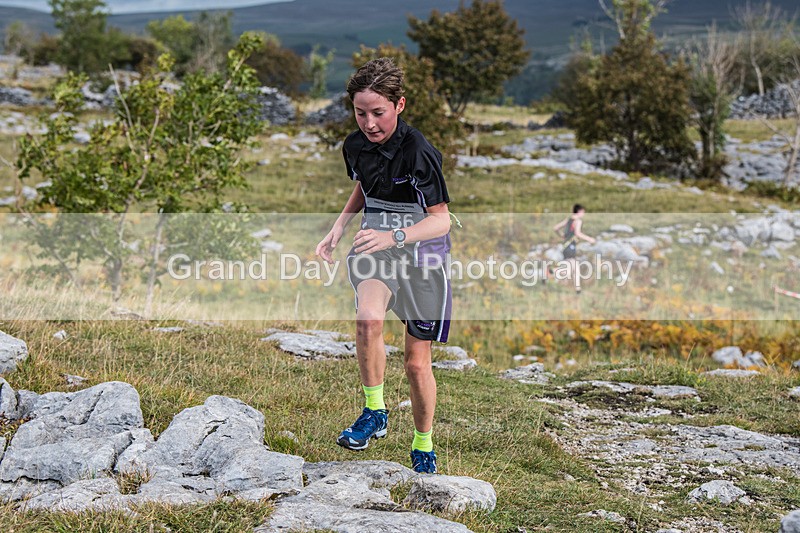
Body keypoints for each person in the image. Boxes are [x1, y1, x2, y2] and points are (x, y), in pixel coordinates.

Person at [315, 58, 452, 474]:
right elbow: (365, 184)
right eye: (361, 113)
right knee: (368, 320)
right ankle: (375, 412)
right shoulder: (354, 145)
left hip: (424, 252)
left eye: (379, 113)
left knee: (415, 362)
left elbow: (441, 218)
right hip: (376, 246)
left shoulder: (419, 151)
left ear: (400, 105)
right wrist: (338, 227)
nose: (370, 123)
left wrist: (393, 236)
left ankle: (423, 445)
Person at [552, 204, 596, 293]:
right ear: (579, 211)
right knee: (569, 270)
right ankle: (551, 271)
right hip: (570, 246)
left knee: (575, 268)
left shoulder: (568, 220)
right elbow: (577, 233)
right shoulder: (578, 221)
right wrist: (589, 239)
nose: (583, 214)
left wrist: (562, 235)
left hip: (565, 246)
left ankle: (578, 290)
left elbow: (555, 228)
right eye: (583, 212)